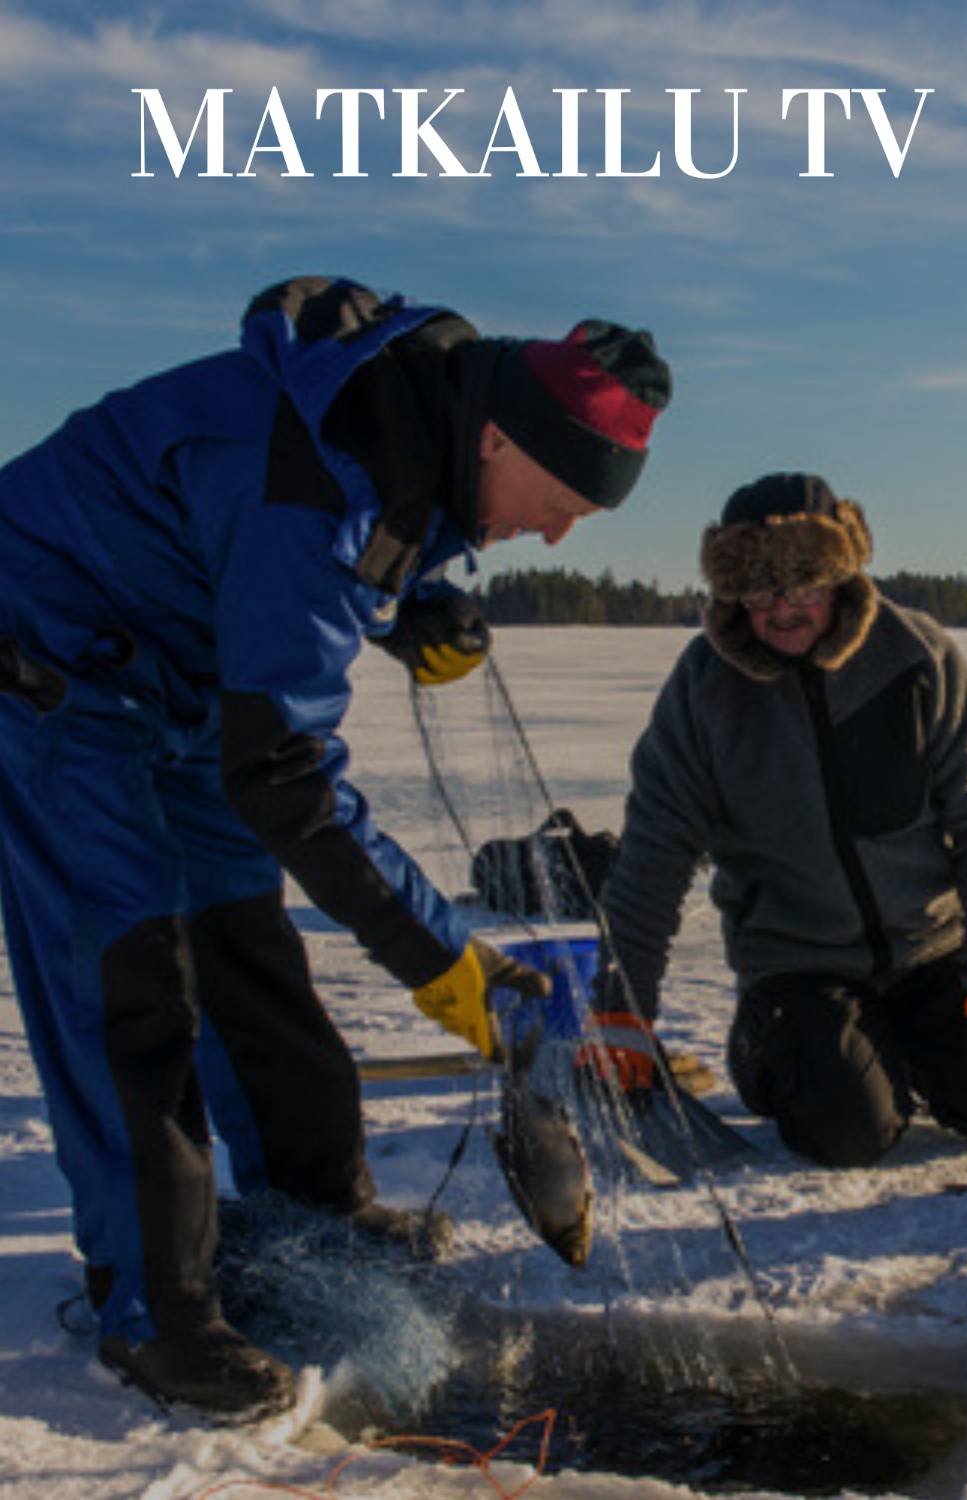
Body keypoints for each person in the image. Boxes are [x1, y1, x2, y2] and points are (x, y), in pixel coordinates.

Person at [0, 275, 670, 1420]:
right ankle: (153, 1311)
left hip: (184, 672)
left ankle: (318, 1208)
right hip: (55, 669)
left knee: (244, 942)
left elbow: (343, 545)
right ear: (500, 436)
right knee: (132, 983)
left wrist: (404, 605)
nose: (553, 532)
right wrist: (442, 961)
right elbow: (287, 779)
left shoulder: (420, 427)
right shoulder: (315, 476)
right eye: (558, 502)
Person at [585, 472, 967, 1171]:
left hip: (931, 954)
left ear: (841, 576)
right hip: (798, 965)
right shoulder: (705, 690)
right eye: (759, 592)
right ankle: (764, 1046)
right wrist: (622, 1009)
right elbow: (654, 854)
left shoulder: (916, 655)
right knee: (849, 1131)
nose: (781, 609)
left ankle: (898, 1045)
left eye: (803, 584)